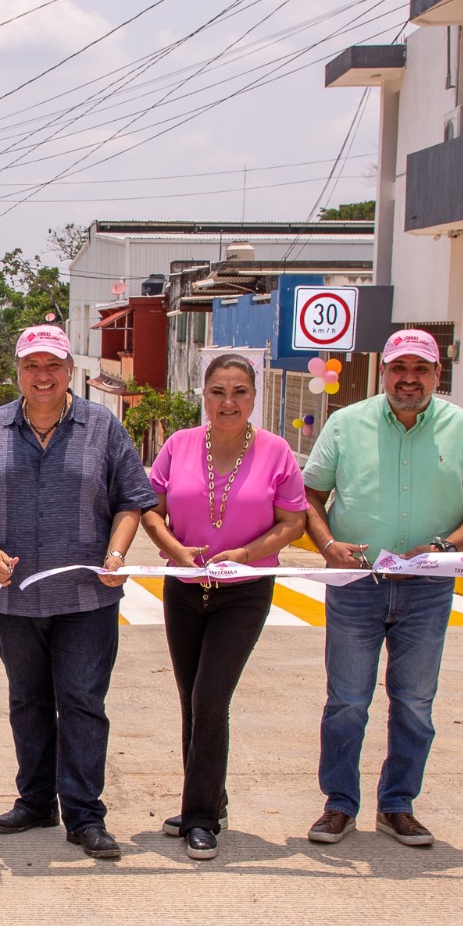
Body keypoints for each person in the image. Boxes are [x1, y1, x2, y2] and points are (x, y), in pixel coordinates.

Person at [0, 325, 156, 860]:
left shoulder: (103, 427)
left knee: (82, 701)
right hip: (12, 599)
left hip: (87, 597)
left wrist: (116, 554)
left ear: (69, 371)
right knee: (28, 700)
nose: (43, 375)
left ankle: (85, 814)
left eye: (53, 365)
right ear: (17, 371)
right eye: (32, 365)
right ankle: (36, 800)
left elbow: (131, 500)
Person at [303, 328, 463, 847]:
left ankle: (398, 805)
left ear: (438, 375)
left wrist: (445, 549)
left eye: (421, 370)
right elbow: (309, 496)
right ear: (383, 373)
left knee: (415, 701)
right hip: (357, 583)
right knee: (346, 700)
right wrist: (327, 544)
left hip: (427, 589)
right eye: (399, 369)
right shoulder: (346, 424)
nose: (409, 379)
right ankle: (339, 805)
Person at [139, 353, 307, 859]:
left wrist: (246, 554)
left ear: (254, 398)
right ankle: (210, 797)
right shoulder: (178, 446)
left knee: (211, 698)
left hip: (246, 588)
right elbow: (151, 510)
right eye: (218, 391)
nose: (228, 402)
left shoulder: (278, 452)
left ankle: (201, 817)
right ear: (203, 395)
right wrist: (175, 550)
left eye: (239, 392)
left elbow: (293, 523)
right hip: (184, 586)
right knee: (191, 697)